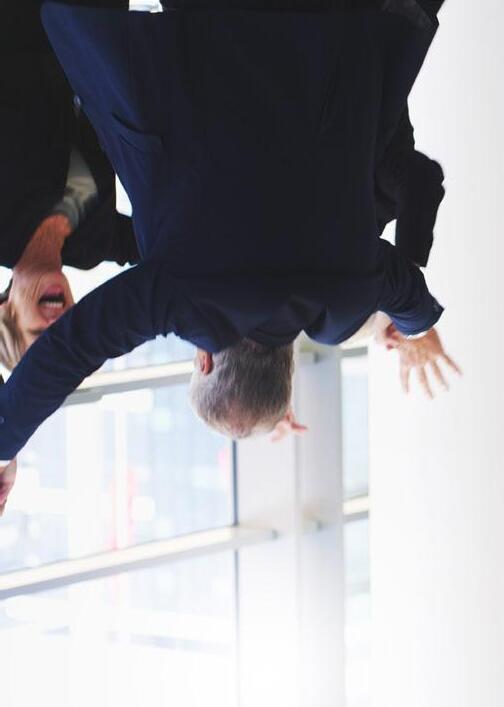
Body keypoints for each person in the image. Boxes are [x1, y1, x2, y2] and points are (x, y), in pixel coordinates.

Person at [0, 0, 460, 515]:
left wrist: (415, 325)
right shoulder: (187, 297)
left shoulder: (344, 297)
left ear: (289, 363)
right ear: (204, 358)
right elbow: (74, 348)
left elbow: (405, 287)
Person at [0, 0, 138, 370]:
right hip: (95, 22)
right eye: (65, 333)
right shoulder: (91, 248)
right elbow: (162, 252)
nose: (56, 323)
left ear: (7, 310)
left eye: (39, 334)